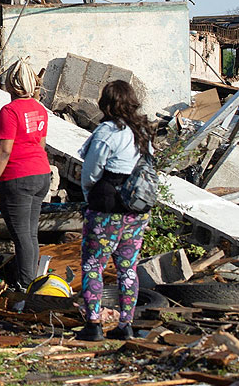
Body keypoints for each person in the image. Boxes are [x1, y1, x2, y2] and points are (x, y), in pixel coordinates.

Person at [75, 79, 154, 342]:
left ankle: (94, 324)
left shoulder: (108, 131)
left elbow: (91, 172)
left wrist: (90, 196)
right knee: (128, 268)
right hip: (137, 210)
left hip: (106, 208)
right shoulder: (142, 131)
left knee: (93, 264)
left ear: (106, 103)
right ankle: (126, 325)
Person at [0, 58, 51, 290]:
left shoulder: (10, 112)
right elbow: (41, 145)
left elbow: (4, 151)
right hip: (41, 174)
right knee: (30, 235)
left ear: (10, 84)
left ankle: (25, 287)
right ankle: (31, 282)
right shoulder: (40, 110)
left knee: (22, 237)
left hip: (16, 178)